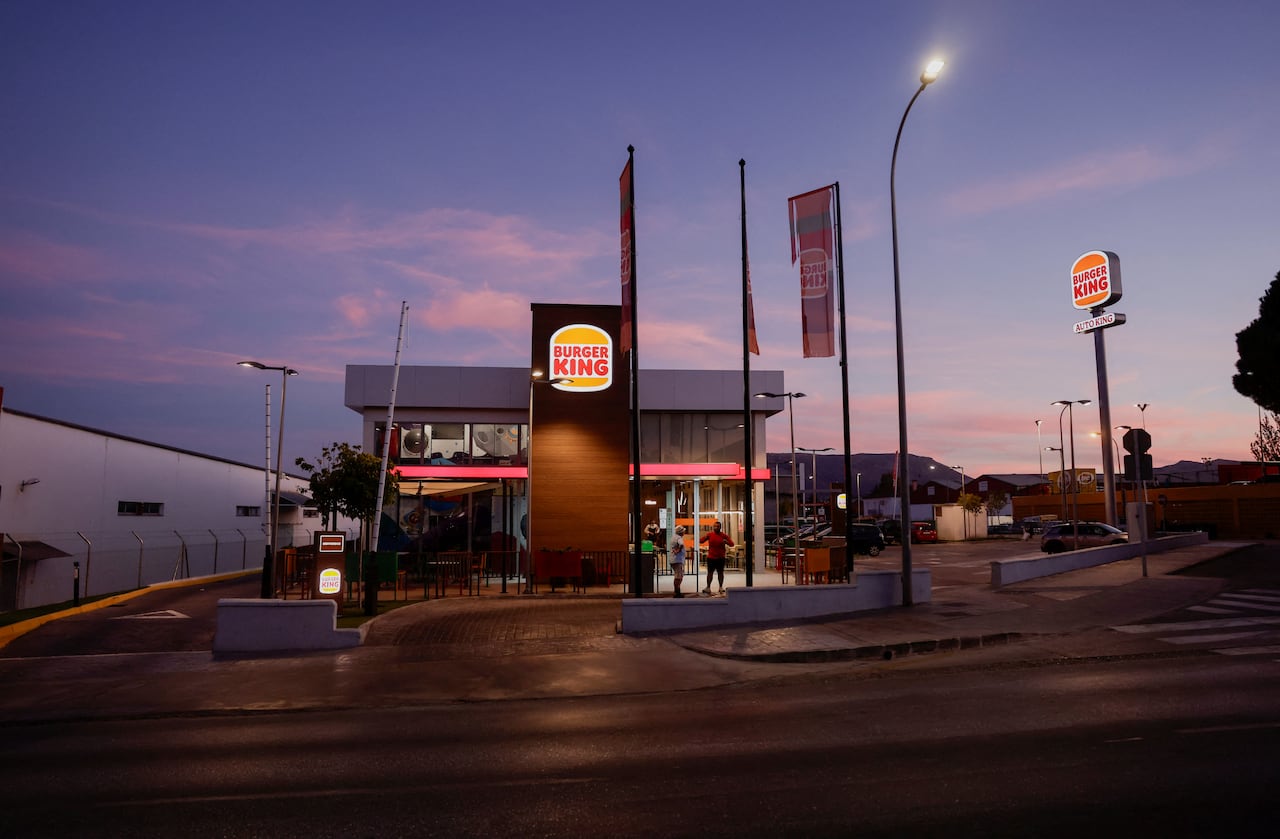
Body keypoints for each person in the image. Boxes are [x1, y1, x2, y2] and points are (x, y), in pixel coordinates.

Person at [699, 520, 734, 596]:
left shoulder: (724, 535)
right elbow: (701, 541)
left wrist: (726, 542)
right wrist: (704, 537)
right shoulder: (710, 535)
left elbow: (732, 544)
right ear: (713, 527)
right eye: (715, 526)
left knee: (720, 573)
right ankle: (708, 587)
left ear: (720, 527)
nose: (716, 527)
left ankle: (720, 587)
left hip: (720, 558)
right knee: (710, 573)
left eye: (717, 526)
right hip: (711, 557)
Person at [668, 525, 687, 597]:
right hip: (677, 560)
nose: (684, 532)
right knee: (678, 576)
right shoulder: (679, 538)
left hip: (674, 559)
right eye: (683, 531)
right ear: (681, 532)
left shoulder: (673, 537)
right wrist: (678, 550)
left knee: (679, 575)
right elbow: (681, 544)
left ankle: (677, 591)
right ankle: (677, 592)